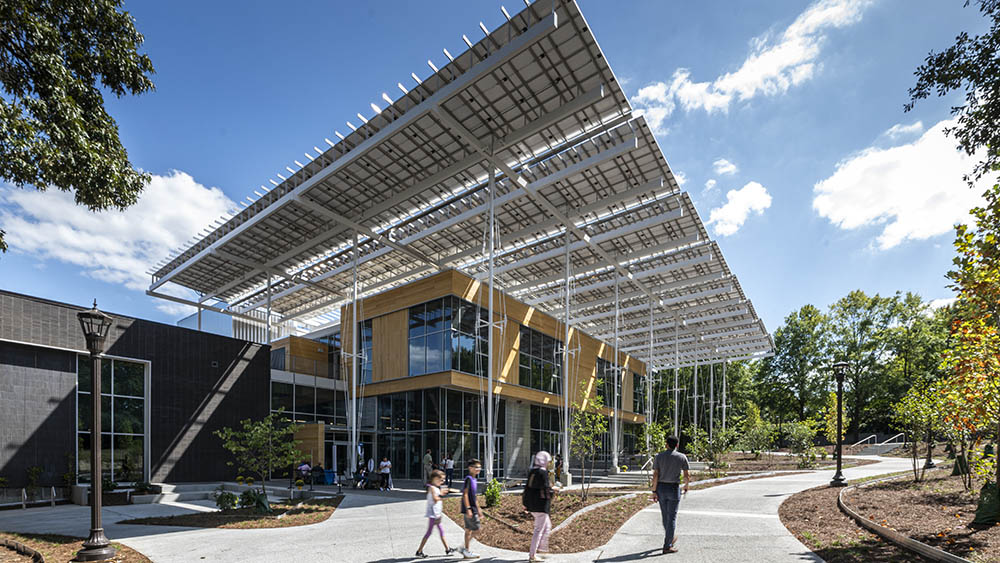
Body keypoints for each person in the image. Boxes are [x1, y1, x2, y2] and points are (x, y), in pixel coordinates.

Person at [651, 435, 690, 554]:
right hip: (673, 487)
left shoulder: (658, 457)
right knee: (672, 517)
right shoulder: (682, 457)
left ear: (666, 444)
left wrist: (653, 490)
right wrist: (686, 486)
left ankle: (670, 537)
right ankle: (667, 545)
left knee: (665, 515)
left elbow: (655, 474)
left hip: (661, 488)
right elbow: (686, 475)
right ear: (677, 445)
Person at [522, 451, 559, 562]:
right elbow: (546, 488)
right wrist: (555, 489)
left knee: (547, 526)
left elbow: (527, 489)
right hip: (541, 505)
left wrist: (525, 504)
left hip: (532, 505)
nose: (548, 463)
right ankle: (533, 555)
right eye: (547, 461)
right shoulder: (542, 473)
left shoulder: (532, 471)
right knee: (538, 529)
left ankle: (542, 548)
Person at [415, 469, 456, 558]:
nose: (443, 481)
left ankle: (447, 549)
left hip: (436, 514)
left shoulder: (435, 488)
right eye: (441, 480)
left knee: (441, 531)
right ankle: (419, 551)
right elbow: (435, 499)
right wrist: (441, 494)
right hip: (433, 515)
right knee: (429, 533)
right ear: (434, 479)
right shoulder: (431, 488)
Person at [458, 459, 483, 559]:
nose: (478, 469)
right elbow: (465, 494)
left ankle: (466, 551)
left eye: (479, 467)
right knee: (477, 530)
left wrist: (479, 509)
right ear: (470, 468)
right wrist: (468, 508)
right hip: (470, 509)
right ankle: (464, 549)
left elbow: (474, 496)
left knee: (468, 530)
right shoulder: (468, 479)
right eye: (476, 467)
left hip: (473, 508)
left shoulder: (474, 480)